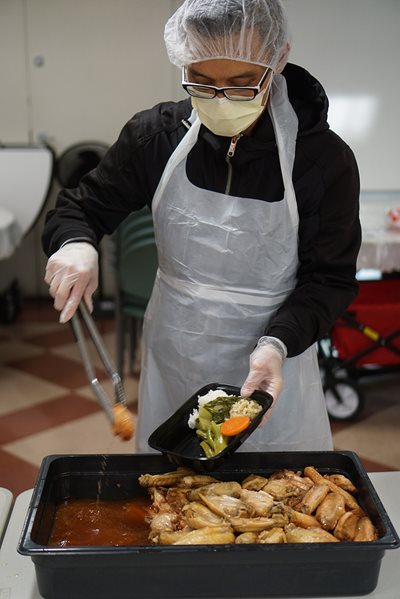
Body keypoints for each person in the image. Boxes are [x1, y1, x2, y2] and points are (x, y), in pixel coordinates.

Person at [42, 0, 361, 452]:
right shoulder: (156, 137)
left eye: (242, 83)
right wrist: (75, 244)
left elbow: (329, 279)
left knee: (280, 498)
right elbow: (80, 208)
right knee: (170, 495)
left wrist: (277, 343)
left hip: (274, 365)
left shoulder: (322, 162)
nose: (221, 99)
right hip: (177, 353)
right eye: (203, 82)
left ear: (278, 59)